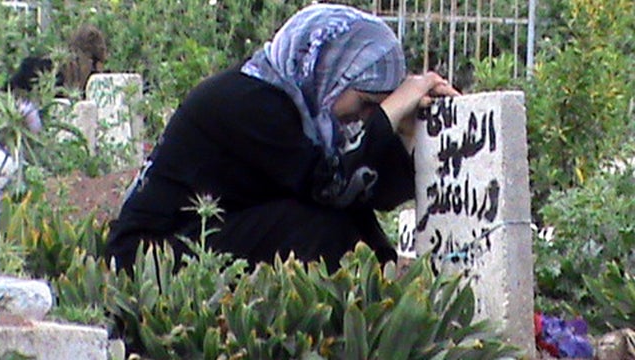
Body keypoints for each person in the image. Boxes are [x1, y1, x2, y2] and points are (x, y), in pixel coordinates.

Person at [105, 4, 459, 273]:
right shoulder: (249, 101)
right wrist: (389, 112)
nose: (362, 118)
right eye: (366, 103)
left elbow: (364, 194)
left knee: (341, 222)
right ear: (329, 71)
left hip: (204, 233)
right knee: (322, 231)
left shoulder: (297, 105)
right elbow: (332, 185)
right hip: (148, 258)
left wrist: (408, 133)